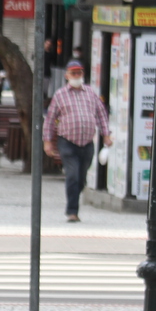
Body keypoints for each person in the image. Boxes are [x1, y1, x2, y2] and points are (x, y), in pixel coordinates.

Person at [43, 59, 112, 223]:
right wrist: (47, 141)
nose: (76, 75)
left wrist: (106, 134)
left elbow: (101, 113)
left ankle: (74, 197)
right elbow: (50, 119)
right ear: (67, 75)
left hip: (87, 143)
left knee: (81, 177)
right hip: (67, 141)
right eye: (73, 73)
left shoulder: (90, 92)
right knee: (73, 175)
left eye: (79, 72)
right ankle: (72, 211)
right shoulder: (60, 95)